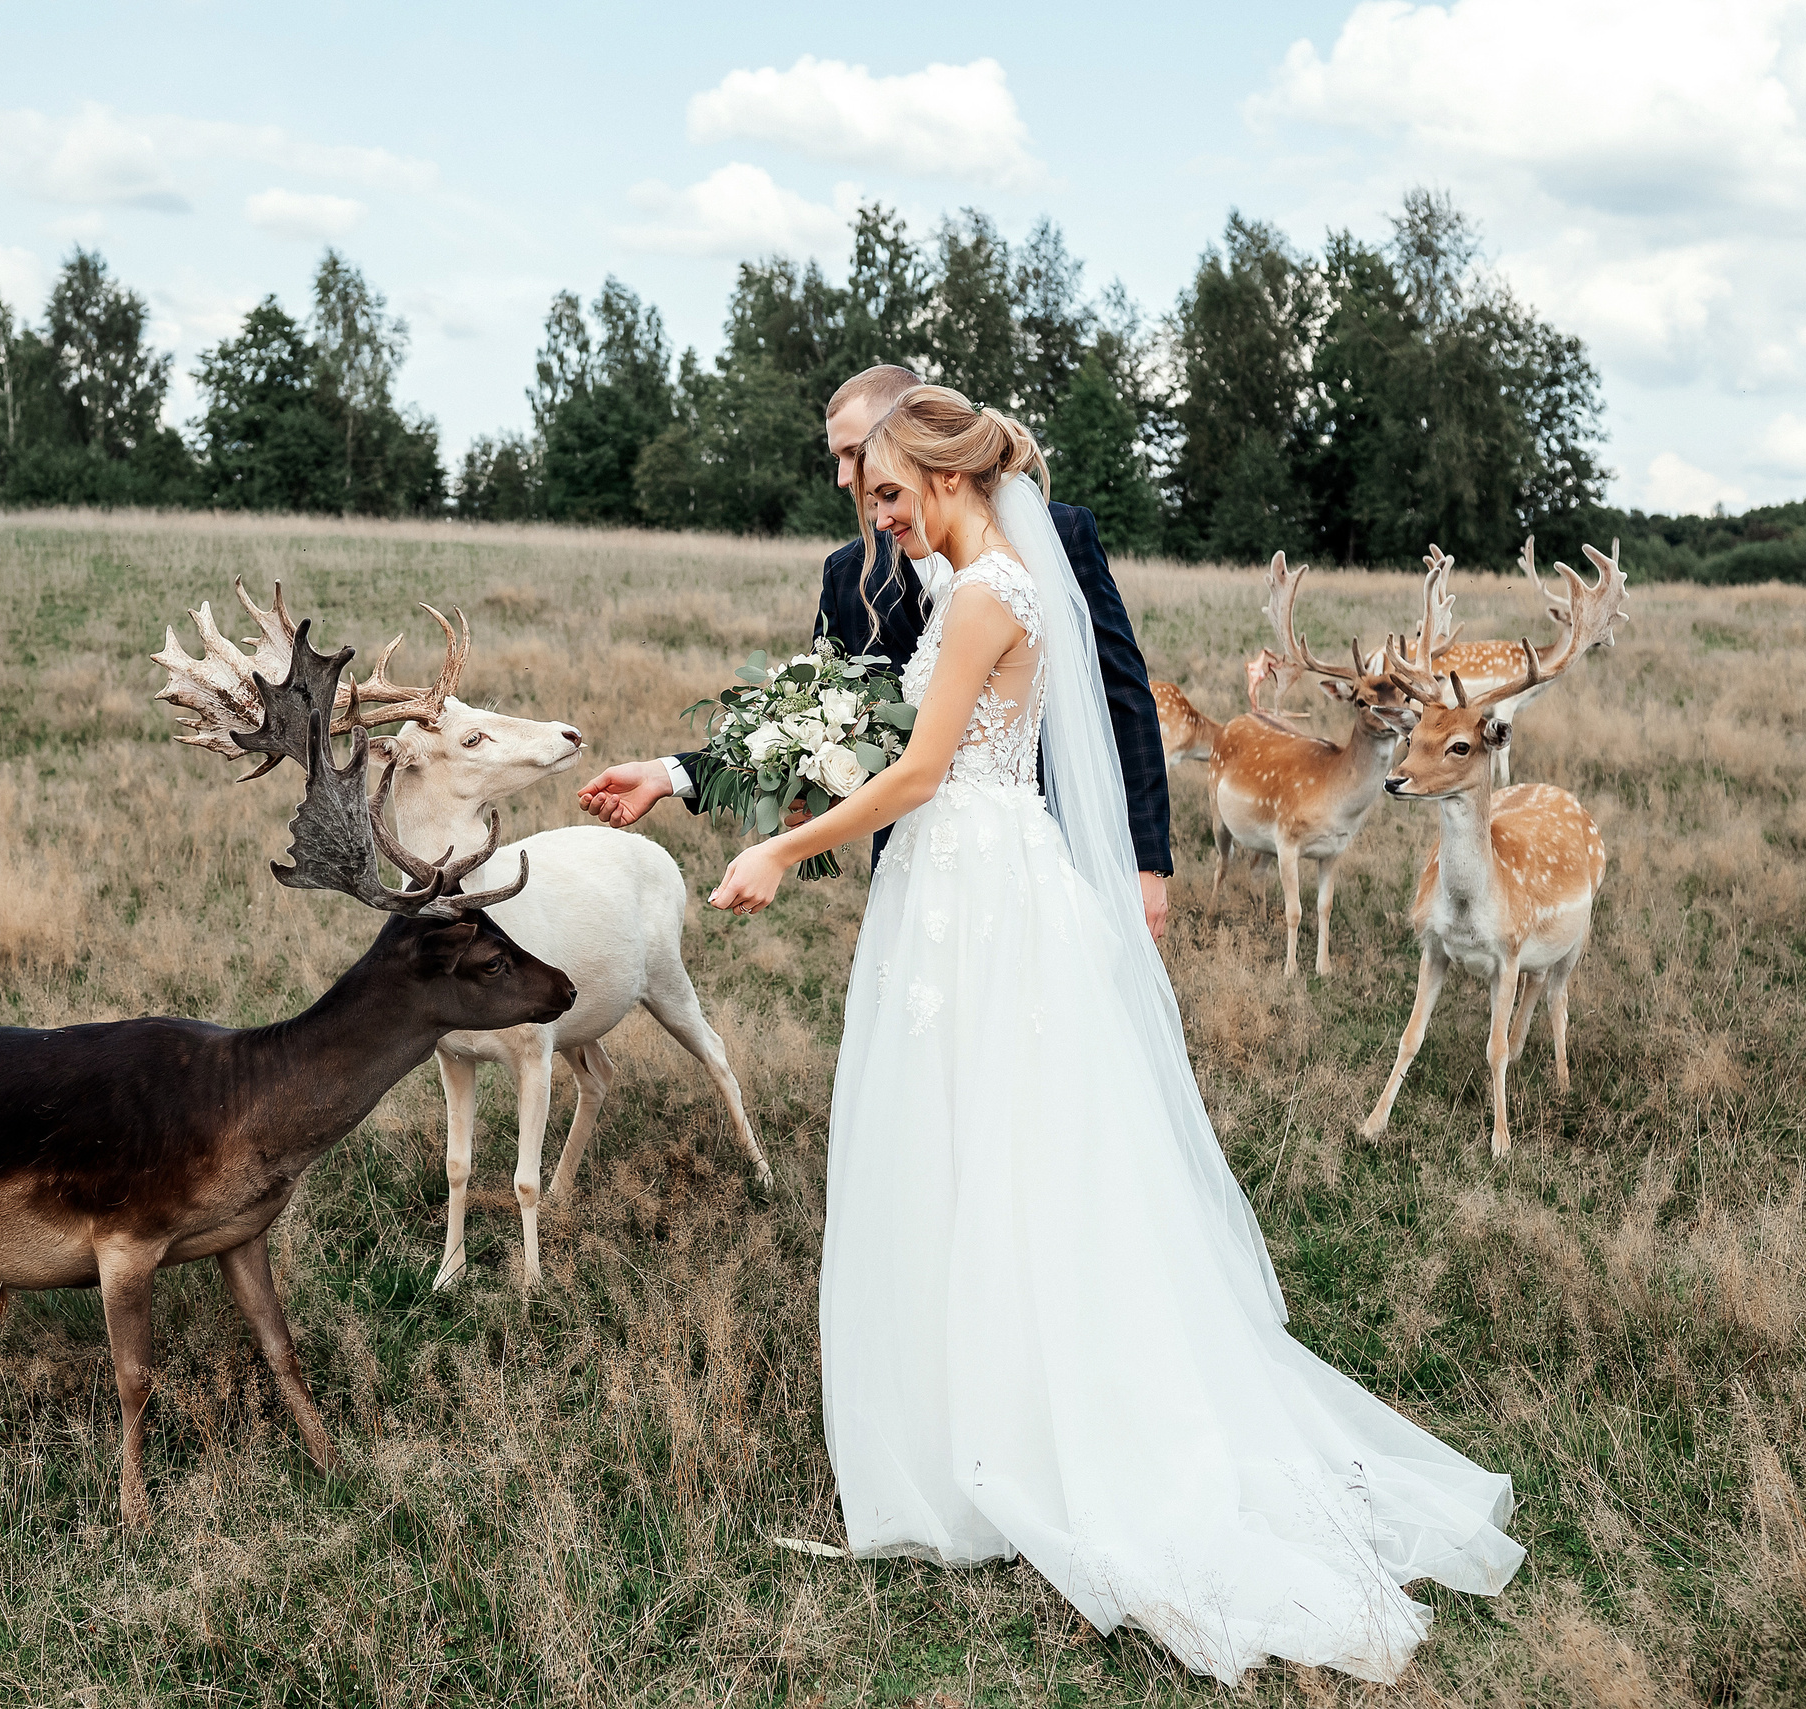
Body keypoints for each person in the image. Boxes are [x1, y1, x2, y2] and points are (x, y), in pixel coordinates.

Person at [706, 386, 1524, 1685]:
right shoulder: (1002, 581)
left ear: (947, 478)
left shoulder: (986, 599)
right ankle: (980, 1411)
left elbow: (921, 773)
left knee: (998, 1143)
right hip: (972, 882)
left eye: (896, 496)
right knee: (989, 1142)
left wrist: (779, 844)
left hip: (973, 883)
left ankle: (1018, 1434)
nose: (886, 522)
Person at [574, 363, 1173, 939]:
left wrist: (1145, 863)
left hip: (1043, 841)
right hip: (920, 860)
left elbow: (1120, 691)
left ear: (920, 443)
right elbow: (808, 725)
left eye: (855, 454)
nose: (843, 479)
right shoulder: (845, 574)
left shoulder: (1056, 537)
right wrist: (672, 774)